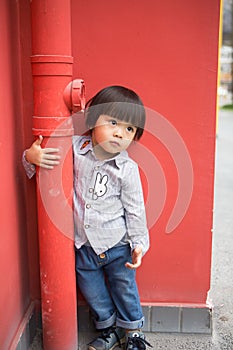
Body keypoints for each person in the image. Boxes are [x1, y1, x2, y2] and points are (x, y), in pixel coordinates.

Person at [23, 85, 152, 350]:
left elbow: (135, 209)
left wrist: (139, 244)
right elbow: (44, 169)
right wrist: (30, 157)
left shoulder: (127, 169)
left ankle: (134, 332)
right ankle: (108, 330)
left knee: (124, 289)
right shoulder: (72, 149)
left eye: (129, 129)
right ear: (93, 120)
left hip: (117, 245)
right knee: (93, 292)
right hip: (83, 246)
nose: (119, 132)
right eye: (113, 122)